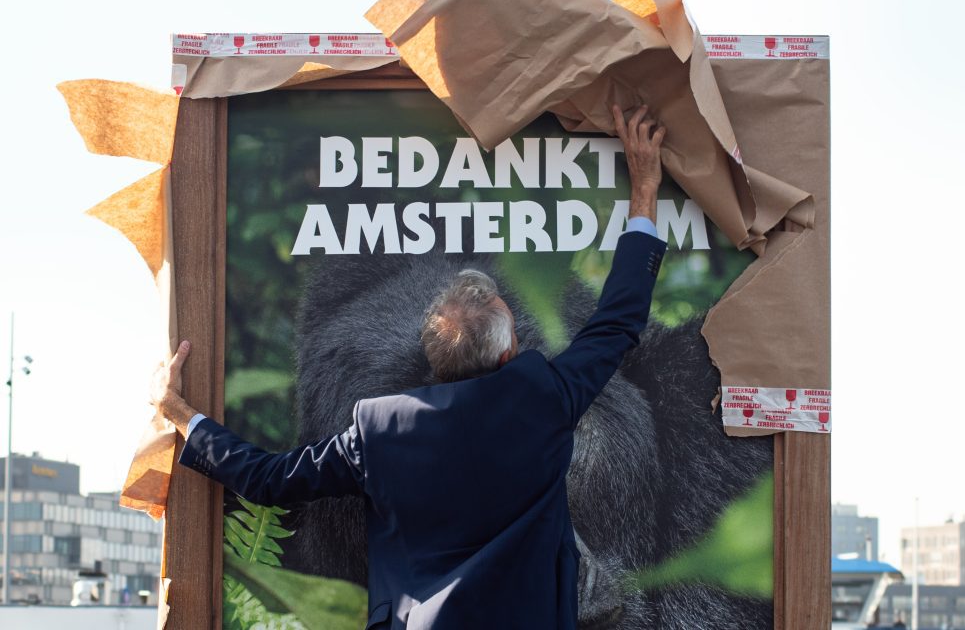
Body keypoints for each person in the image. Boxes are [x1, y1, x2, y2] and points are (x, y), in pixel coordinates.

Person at [152, 104, 668, 630]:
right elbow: (620, 317)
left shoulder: (378, 432)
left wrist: (178, 412)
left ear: (435, 358)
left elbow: (266, 478)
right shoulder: (542, 395)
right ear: (510, 353)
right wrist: (645, 185)